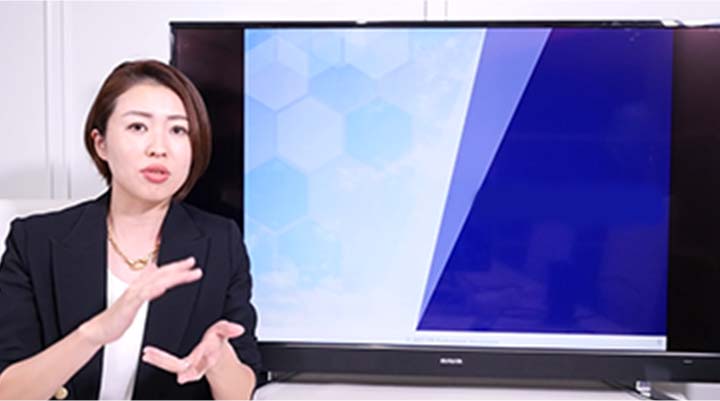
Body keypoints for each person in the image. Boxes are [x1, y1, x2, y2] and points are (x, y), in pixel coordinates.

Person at [0, 60, 261, 400]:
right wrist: (94, 334)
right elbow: (8, 392)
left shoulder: (220, 242)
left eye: (178, 130)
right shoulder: (35, 242)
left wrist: (218, 361)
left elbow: (240, 393)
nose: (159, 147)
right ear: (101, 144)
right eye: (138, 127)